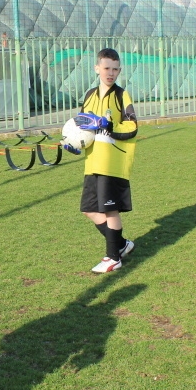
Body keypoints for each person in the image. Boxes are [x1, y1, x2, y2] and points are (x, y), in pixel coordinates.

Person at [65, 48, 139, 273]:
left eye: (115, 69)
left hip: (113, 163)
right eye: (107, 68)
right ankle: (122, 244)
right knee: (89, 209)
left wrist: (109, 125)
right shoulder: (89, 95)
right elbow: (80, 125)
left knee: (110, 211)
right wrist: (72, 142)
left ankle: (112, 257)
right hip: (93, 162)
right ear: (97, 68)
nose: (111, 73)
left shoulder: (121, 95)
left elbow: (133, 127)